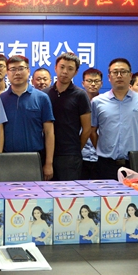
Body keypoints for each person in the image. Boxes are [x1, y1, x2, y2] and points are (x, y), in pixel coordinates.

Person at [91, 58, 138, 180]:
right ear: (109, 77)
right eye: (115, 72)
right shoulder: (97, 102)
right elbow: (92, 131)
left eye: (123, 72)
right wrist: (103, 148)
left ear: (130, 76)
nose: (119, 75)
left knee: (135, 193)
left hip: (134, 163)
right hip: (106, 164)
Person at [0, 55, 55, 180]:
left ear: (28, 71)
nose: (17, 73)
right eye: (13, 69)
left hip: (35, 158)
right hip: (8, 158)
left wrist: (48, 163)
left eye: (21, 68)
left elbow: (49, 132)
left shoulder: (42, 98)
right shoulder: (1, 99)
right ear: (7, 72)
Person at [43, 53, 91, 181]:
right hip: (45, 153)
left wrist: (75, 149)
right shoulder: (44, 94)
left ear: (76, 72)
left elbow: (87, 129)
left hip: (69, 155)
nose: (65, 72)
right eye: (62, 67)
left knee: (68, 191)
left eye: (70, 69)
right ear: (55, 68)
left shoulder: (80, 95)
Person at [81, 68, 103, 180]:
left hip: (101, 157)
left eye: (96, 81)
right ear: (83, 83)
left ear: (101, 83)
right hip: (81, 156)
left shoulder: (105, 103)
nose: (93, 84)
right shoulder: (77, 101)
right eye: (89, 81)